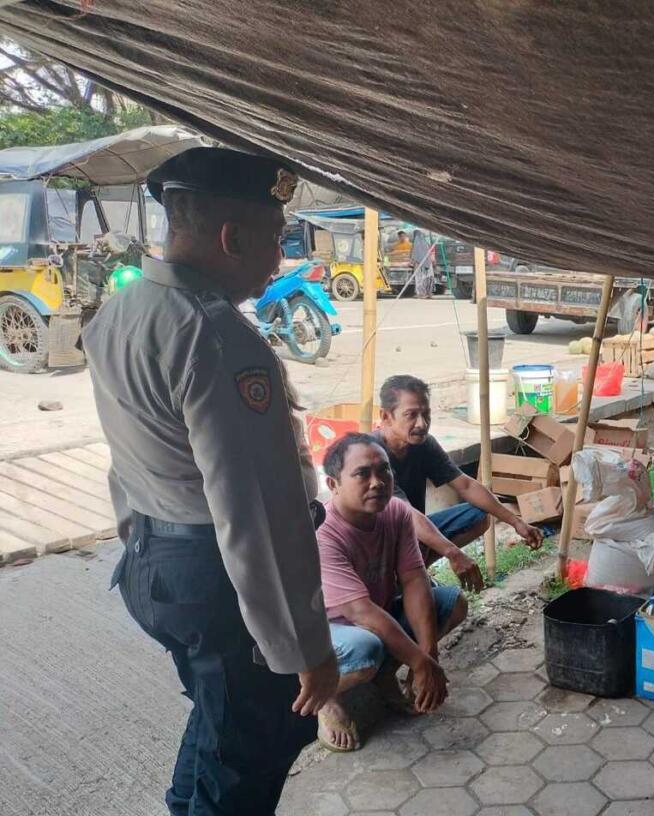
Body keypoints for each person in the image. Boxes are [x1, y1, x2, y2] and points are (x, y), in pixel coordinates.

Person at [82, 147, 338, 815]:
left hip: (154, 566)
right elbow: (254, 512)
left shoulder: (120, 312)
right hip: (216, 578)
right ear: (234, 236)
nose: (277, 260)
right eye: (276, 239)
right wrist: (306, 648)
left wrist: (141, 539)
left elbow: (124, 460)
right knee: (256, 749)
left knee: (217, 717)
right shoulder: (216, 336)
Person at [315, 433, 462, 751]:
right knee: (365, 650)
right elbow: (359, 612)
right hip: (328, 629)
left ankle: (384, 676)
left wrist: (428, 654)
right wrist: (422, 665)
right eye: (362, 474)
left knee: (451, 603)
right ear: (333, 484)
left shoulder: (395, 511)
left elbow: (414, 579)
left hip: (373, 613)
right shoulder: (324, 533)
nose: (378, 482)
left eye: (384, 471)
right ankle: (323, 696)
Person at [375, 375, 543, 586]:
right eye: (411, 415)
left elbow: (466, 484)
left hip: (410, 530)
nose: (422, 423)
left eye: (426, 414)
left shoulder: (423, 444)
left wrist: (516, 521)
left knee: (479, 515)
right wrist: (453, 553)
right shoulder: (372, 455)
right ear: (385, 416)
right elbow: (406, 514)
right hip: (378, 544)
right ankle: (402, 577)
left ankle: (414, 570)